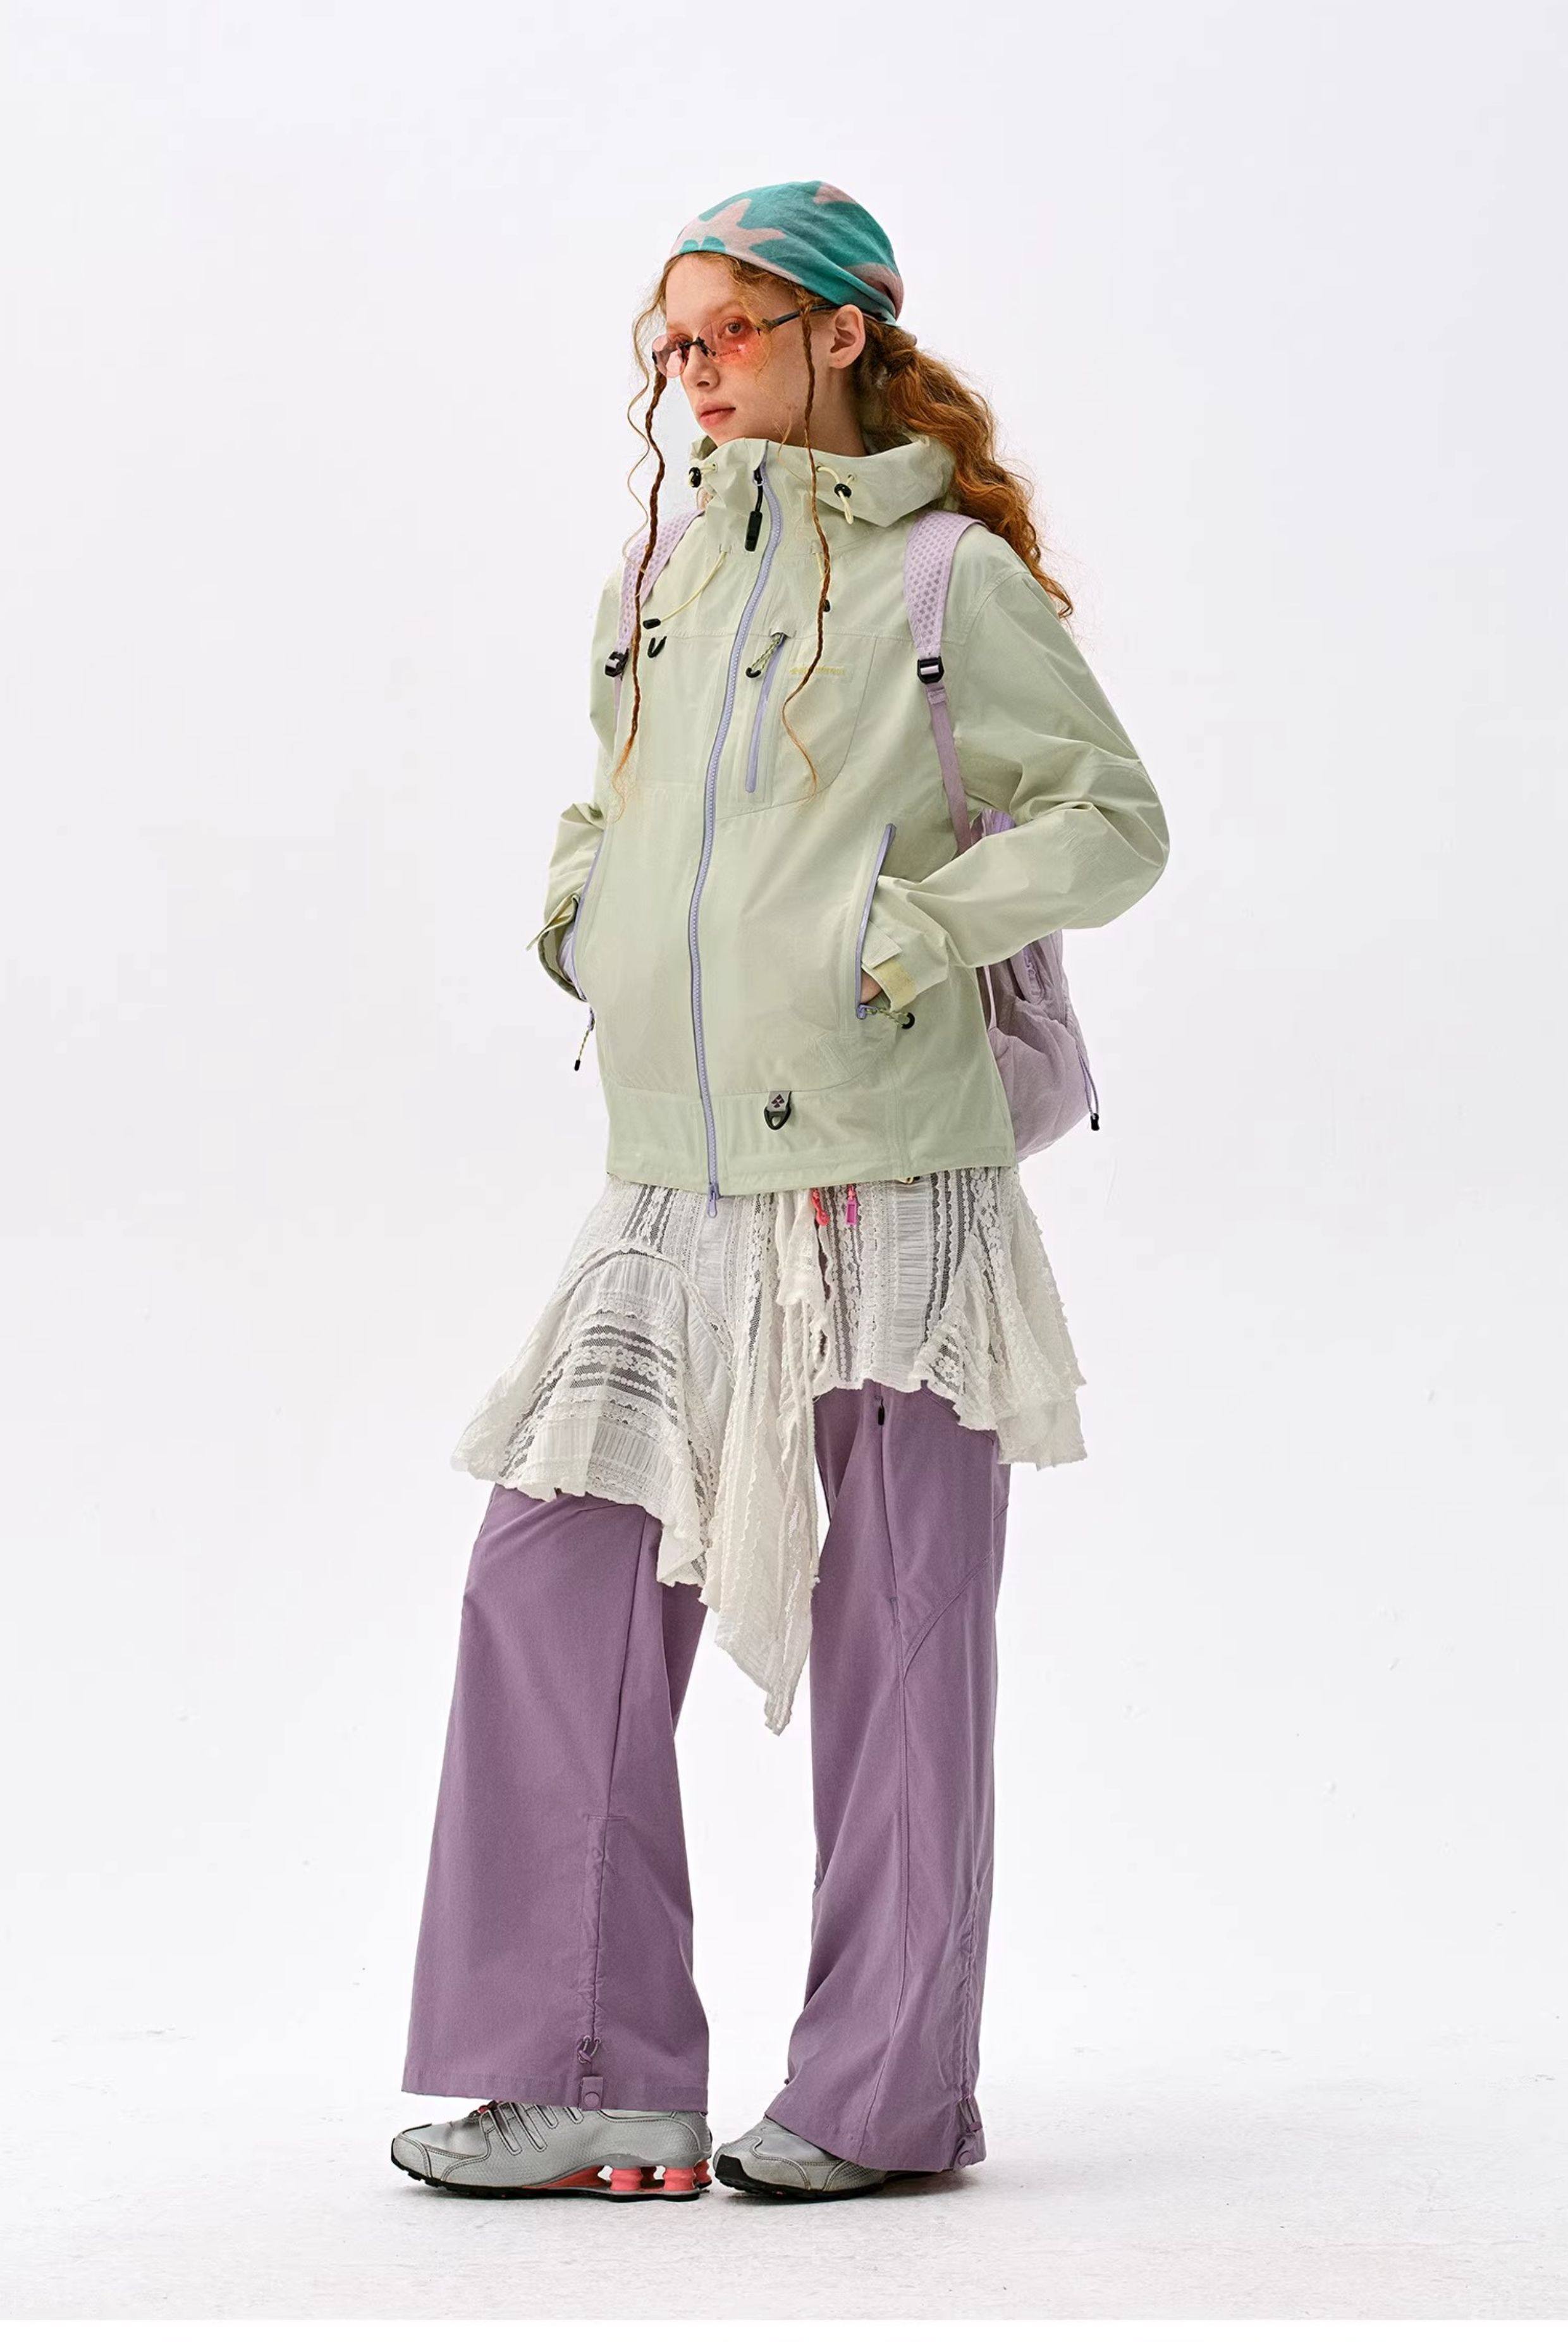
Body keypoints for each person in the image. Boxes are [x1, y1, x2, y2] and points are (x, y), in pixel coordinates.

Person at [390, 180, 1168, 2205]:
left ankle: (884, 2100)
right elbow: (616, 785)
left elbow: (1111, 819)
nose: (692, 371)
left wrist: (912, 930)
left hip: (893, 1183)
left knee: (905, 1637)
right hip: (677, 1183)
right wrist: (580, 904)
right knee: (550, 1576)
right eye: (673, 339)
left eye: (728, 330)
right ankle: (596, 2071)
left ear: (840, 333)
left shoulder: (945, 579)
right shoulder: (664, 564)